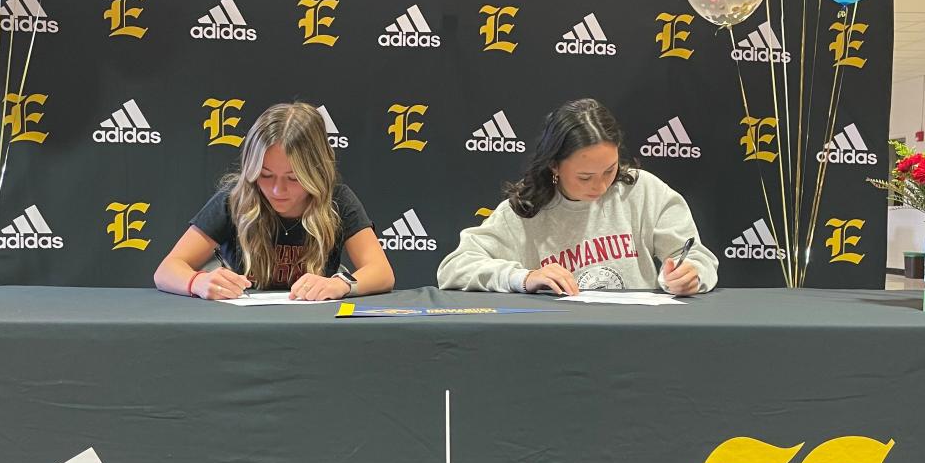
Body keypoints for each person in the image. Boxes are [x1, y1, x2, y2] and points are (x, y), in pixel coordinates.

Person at [437, 98, 717, 296]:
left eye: (610, 170)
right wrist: (524, 278)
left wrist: (689, 275)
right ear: (554, 165)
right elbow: (453, 268)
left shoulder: (642, 190)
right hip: (556, 343)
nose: (601, 185)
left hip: (637, 336)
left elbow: (696, 256)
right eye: (585, 177)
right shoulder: (526, 209)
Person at [155, 103, 394, 300]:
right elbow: (167, 270)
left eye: (293, 178)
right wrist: (198, 281)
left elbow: (382, 273)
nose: (278, 190)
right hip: (240, 329)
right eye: (265, 175)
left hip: (314, 330)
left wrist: (340, 284)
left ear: (317, 172)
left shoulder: (337, 200)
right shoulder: (235, 198)